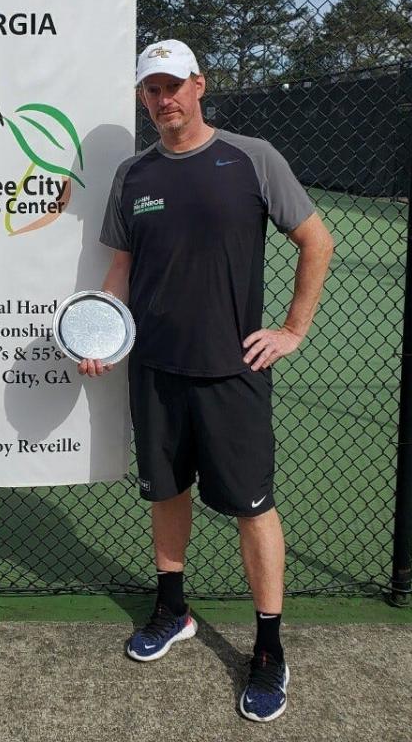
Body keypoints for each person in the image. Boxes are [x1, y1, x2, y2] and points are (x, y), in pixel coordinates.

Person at [80, 39, 333, 723]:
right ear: (143, 99)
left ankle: (269, 648)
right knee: (166, 491)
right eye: (150, 90)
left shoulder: (251, 158)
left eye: (172, 86)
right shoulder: (133, 175)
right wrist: (100, 331)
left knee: (252, 508)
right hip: (156, 370)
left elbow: (316, 239)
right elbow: (123, 267)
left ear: (199, 85)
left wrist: (292, 330)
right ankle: (173, 607)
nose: (163, 100)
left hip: (232, 374)